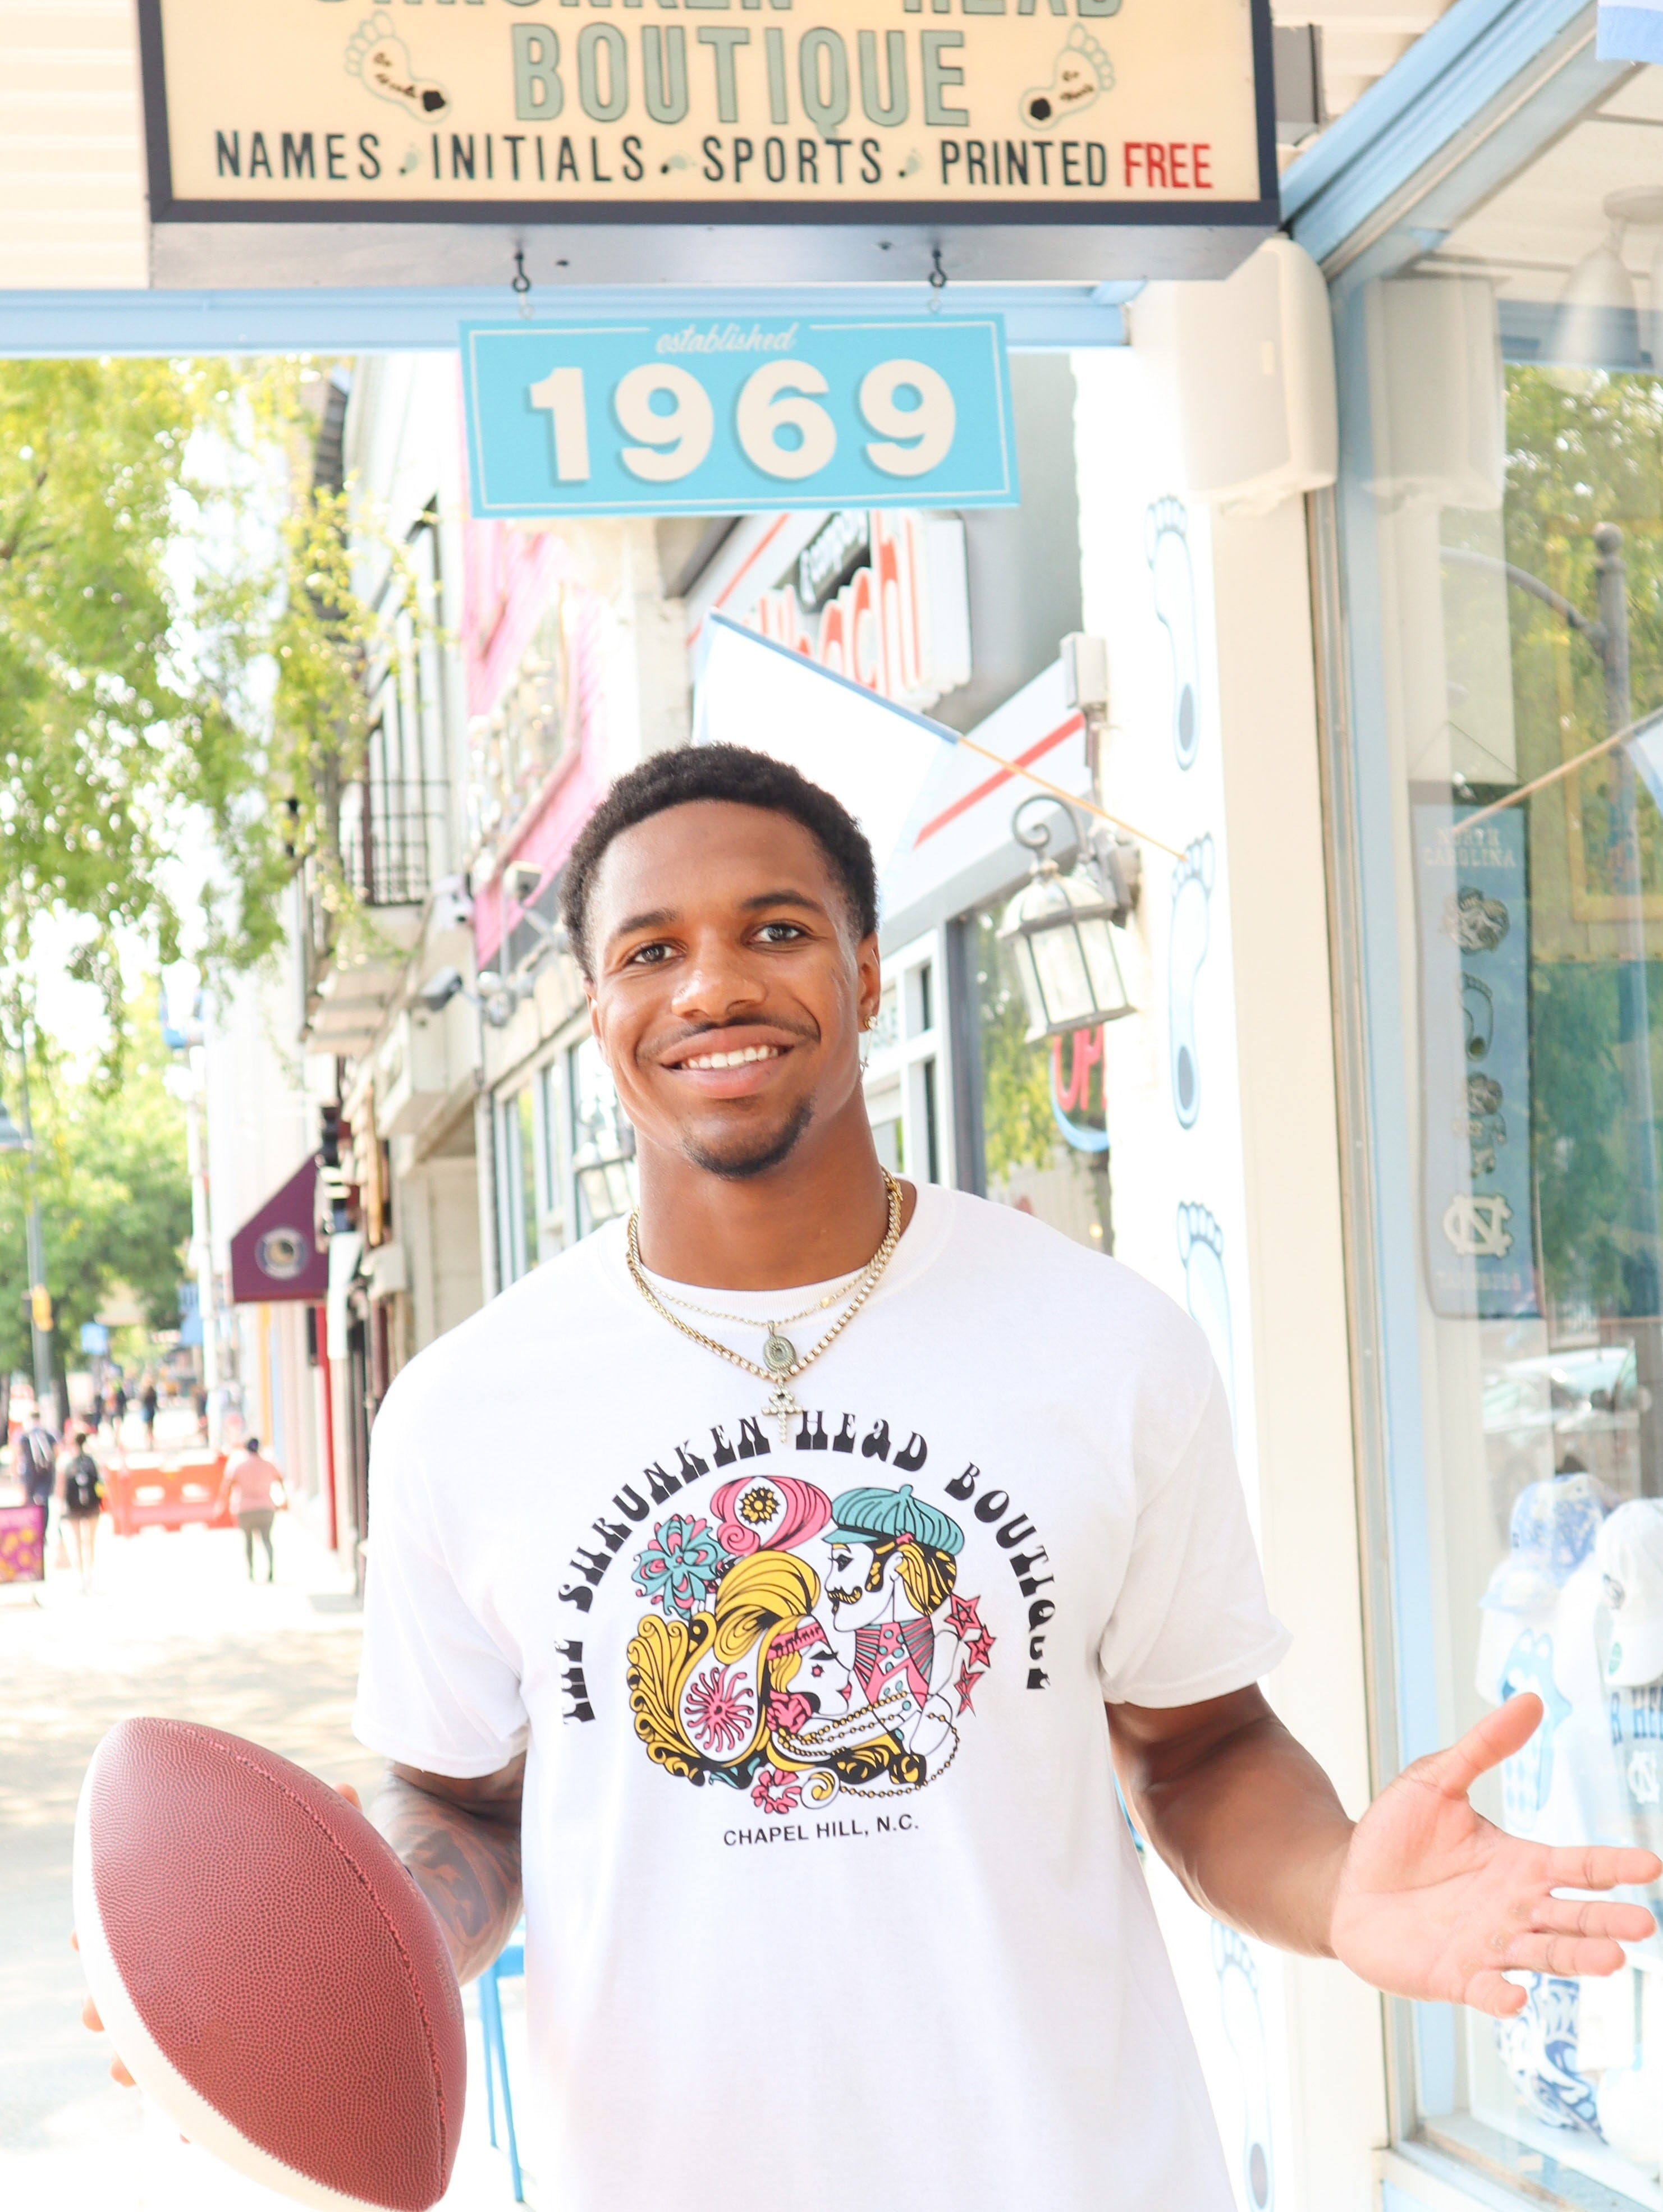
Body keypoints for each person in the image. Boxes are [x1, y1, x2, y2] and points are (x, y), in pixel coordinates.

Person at [84, 748, 1663, 2208]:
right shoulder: (462, 1410)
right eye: (650, 948)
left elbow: (1196, 1742)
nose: (711, 980)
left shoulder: (1106, 1344)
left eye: (773, 926)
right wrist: (357, 1959)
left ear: (862, 970)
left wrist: (1334, 1887)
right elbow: (459, 1798)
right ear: (593, 1009)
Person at [220, 1436, 282, 1582]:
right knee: (267, 1540)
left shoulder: (239, 1467)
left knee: (248, 1543)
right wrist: (283, 1502)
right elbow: (280, 1480)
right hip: (266, 1508)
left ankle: (252, 1572)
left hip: (245, 1509)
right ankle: (271, 1570)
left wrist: (222, 1505)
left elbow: (228, 1486)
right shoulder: (269, 1465)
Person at [58, 1429, 104, 1593]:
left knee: (77, 1542)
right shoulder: (93, 1460)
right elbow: (102, 1484)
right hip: (92, 1506)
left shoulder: (66, 1461)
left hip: (74, 1507)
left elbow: (61, 1487)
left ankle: (81, 1578)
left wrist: (60, 1507)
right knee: (90, 1542)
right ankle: (90, 1576)